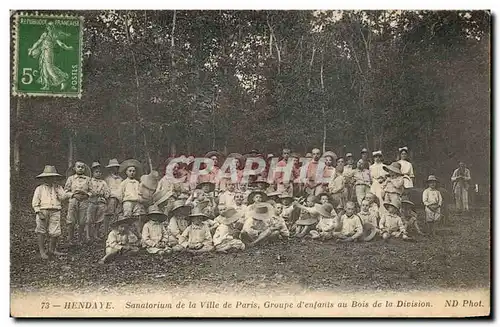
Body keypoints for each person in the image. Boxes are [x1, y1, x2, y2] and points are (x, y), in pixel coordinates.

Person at [32, 165, 68, 259]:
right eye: (47, 177)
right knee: (41, 231)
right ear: (43, 178)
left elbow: (63, 197)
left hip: (55, 211)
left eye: (52, 177)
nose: (50, 179)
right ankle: (42, 252)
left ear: (55, 177)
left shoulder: (58, 187)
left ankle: (52, 250)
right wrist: (38, 212)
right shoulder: (39, 188)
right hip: (43, 211)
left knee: (55, 231)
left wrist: (57, 190)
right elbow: (35, 202)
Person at [65, 160, 91, 245]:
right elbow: (65, 191)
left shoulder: (88, 179)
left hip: (84, 200)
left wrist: (87, 195)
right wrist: (73, 195)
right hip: (73, 200)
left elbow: (92, 191)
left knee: (82, 221)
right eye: (78, 167)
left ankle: (80, 239)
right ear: (74, 168)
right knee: (71, 221)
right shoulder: (71, 179)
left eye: (82, 167)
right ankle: (70, 239)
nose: (80, 169)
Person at [118, 159, 146, 238]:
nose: (132, 173)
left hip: (136, 202)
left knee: (137, 217)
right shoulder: (124, 183)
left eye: (133, 171)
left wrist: (140, 198)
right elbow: (121, 193)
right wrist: (121, 203)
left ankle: (138, 232)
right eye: (130, 171)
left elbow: (139, 192)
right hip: (127, 202)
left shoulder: (137, 183)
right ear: (126, 172)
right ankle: (127, 233)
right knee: (127, 217)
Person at [87, 162, 110, 242]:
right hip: (91, 201)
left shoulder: (103, 182)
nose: (98, 174)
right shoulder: (89, 181)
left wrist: (104, 195)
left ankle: (96, 234)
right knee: (89, 219)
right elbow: (87, 190)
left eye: (100, 172)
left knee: (99, 219)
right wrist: (91, 194)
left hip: (100, 202)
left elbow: (107, 192)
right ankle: (88, 235)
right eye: (96, 172)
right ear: (92, 172)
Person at [104, 159, 123, 239]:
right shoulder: (107, 179)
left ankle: (115, 232)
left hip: (119, 198)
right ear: (110, 169)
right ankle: (105, 231)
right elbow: (106, 189)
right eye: (113, 167)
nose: (115, 169)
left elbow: (122, 189)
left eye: (116, 167)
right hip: (111, 198)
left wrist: (120, 197)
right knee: (108, 214)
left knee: (118, 214)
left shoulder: (120, 179)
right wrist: (110, 196)